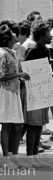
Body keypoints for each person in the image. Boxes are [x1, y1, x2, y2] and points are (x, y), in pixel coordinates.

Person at [0, 24, 31, 168]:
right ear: (8, 38)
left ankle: (14, 156)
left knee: (18, 126)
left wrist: (19, 78)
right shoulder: (2, 54)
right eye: (12, 33)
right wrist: (19, 74)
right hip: (5, 92)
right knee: (7, 125)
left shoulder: (10, 52)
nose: (16, 34)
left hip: (13, 91)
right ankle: (5, 158)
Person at [23, 21, 53, 168]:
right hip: (33, 93)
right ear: (41, 36)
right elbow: (28, 72)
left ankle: (35, 155)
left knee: (40, 124)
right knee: (32, 125)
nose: (51, 36)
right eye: (48, 34)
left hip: (43, 92)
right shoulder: (33, 51)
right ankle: (30, 157)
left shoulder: (45, 50)